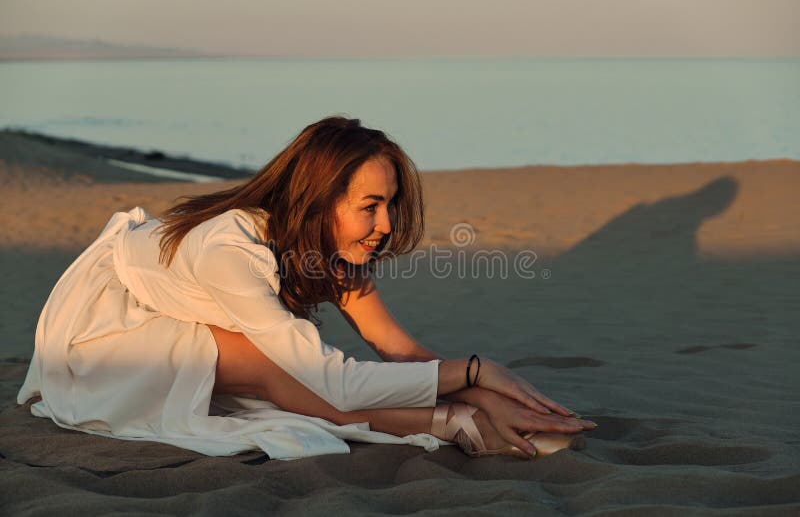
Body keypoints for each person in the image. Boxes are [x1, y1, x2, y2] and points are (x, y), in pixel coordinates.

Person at [17, 116, 595, 460]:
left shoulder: (333, 250)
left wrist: (486, 388)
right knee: (277, 373)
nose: (388, 225)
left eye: (390, 204)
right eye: (370, 205)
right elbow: (333, 383)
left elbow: (400, 353)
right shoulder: (232, 252)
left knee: (293, 370)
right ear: (318, 200)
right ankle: (455, 431)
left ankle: (480, 419)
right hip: (105, 329)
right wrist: (470, 379)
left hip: (176, 303)